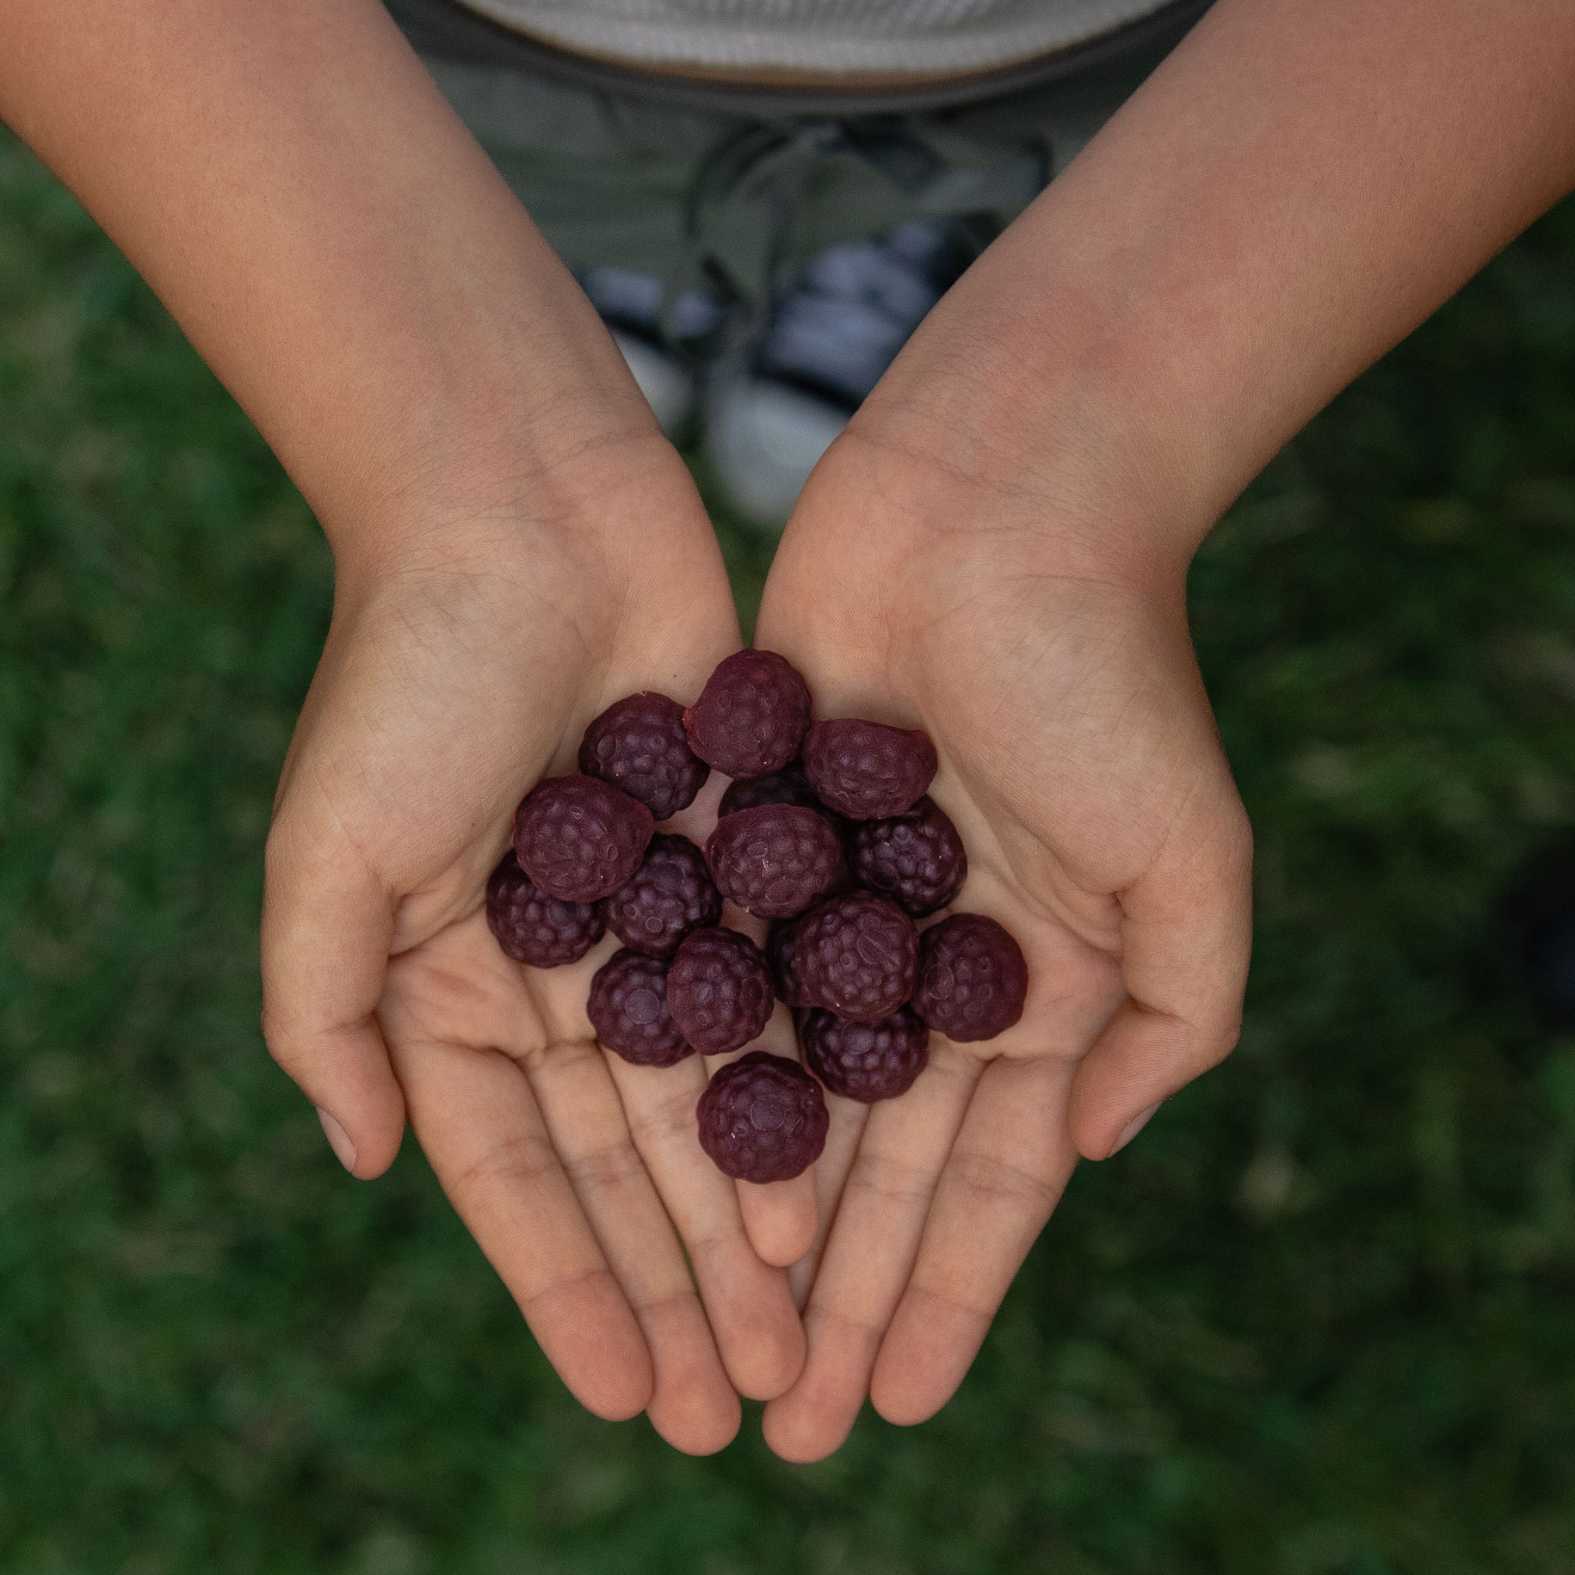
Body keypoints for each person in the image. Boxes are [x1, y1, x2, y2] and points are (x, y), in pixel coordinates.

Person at [2, 0, 1570, 1465]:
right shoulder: (706, 892)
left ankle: (945, 265)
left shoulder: (775, 888)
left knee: (1015, 139)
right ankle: (545, 268)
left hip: (1120, 59)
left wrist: (1097, 417)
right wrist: (446, 445)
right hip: (455, 53)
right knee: (552, 156)